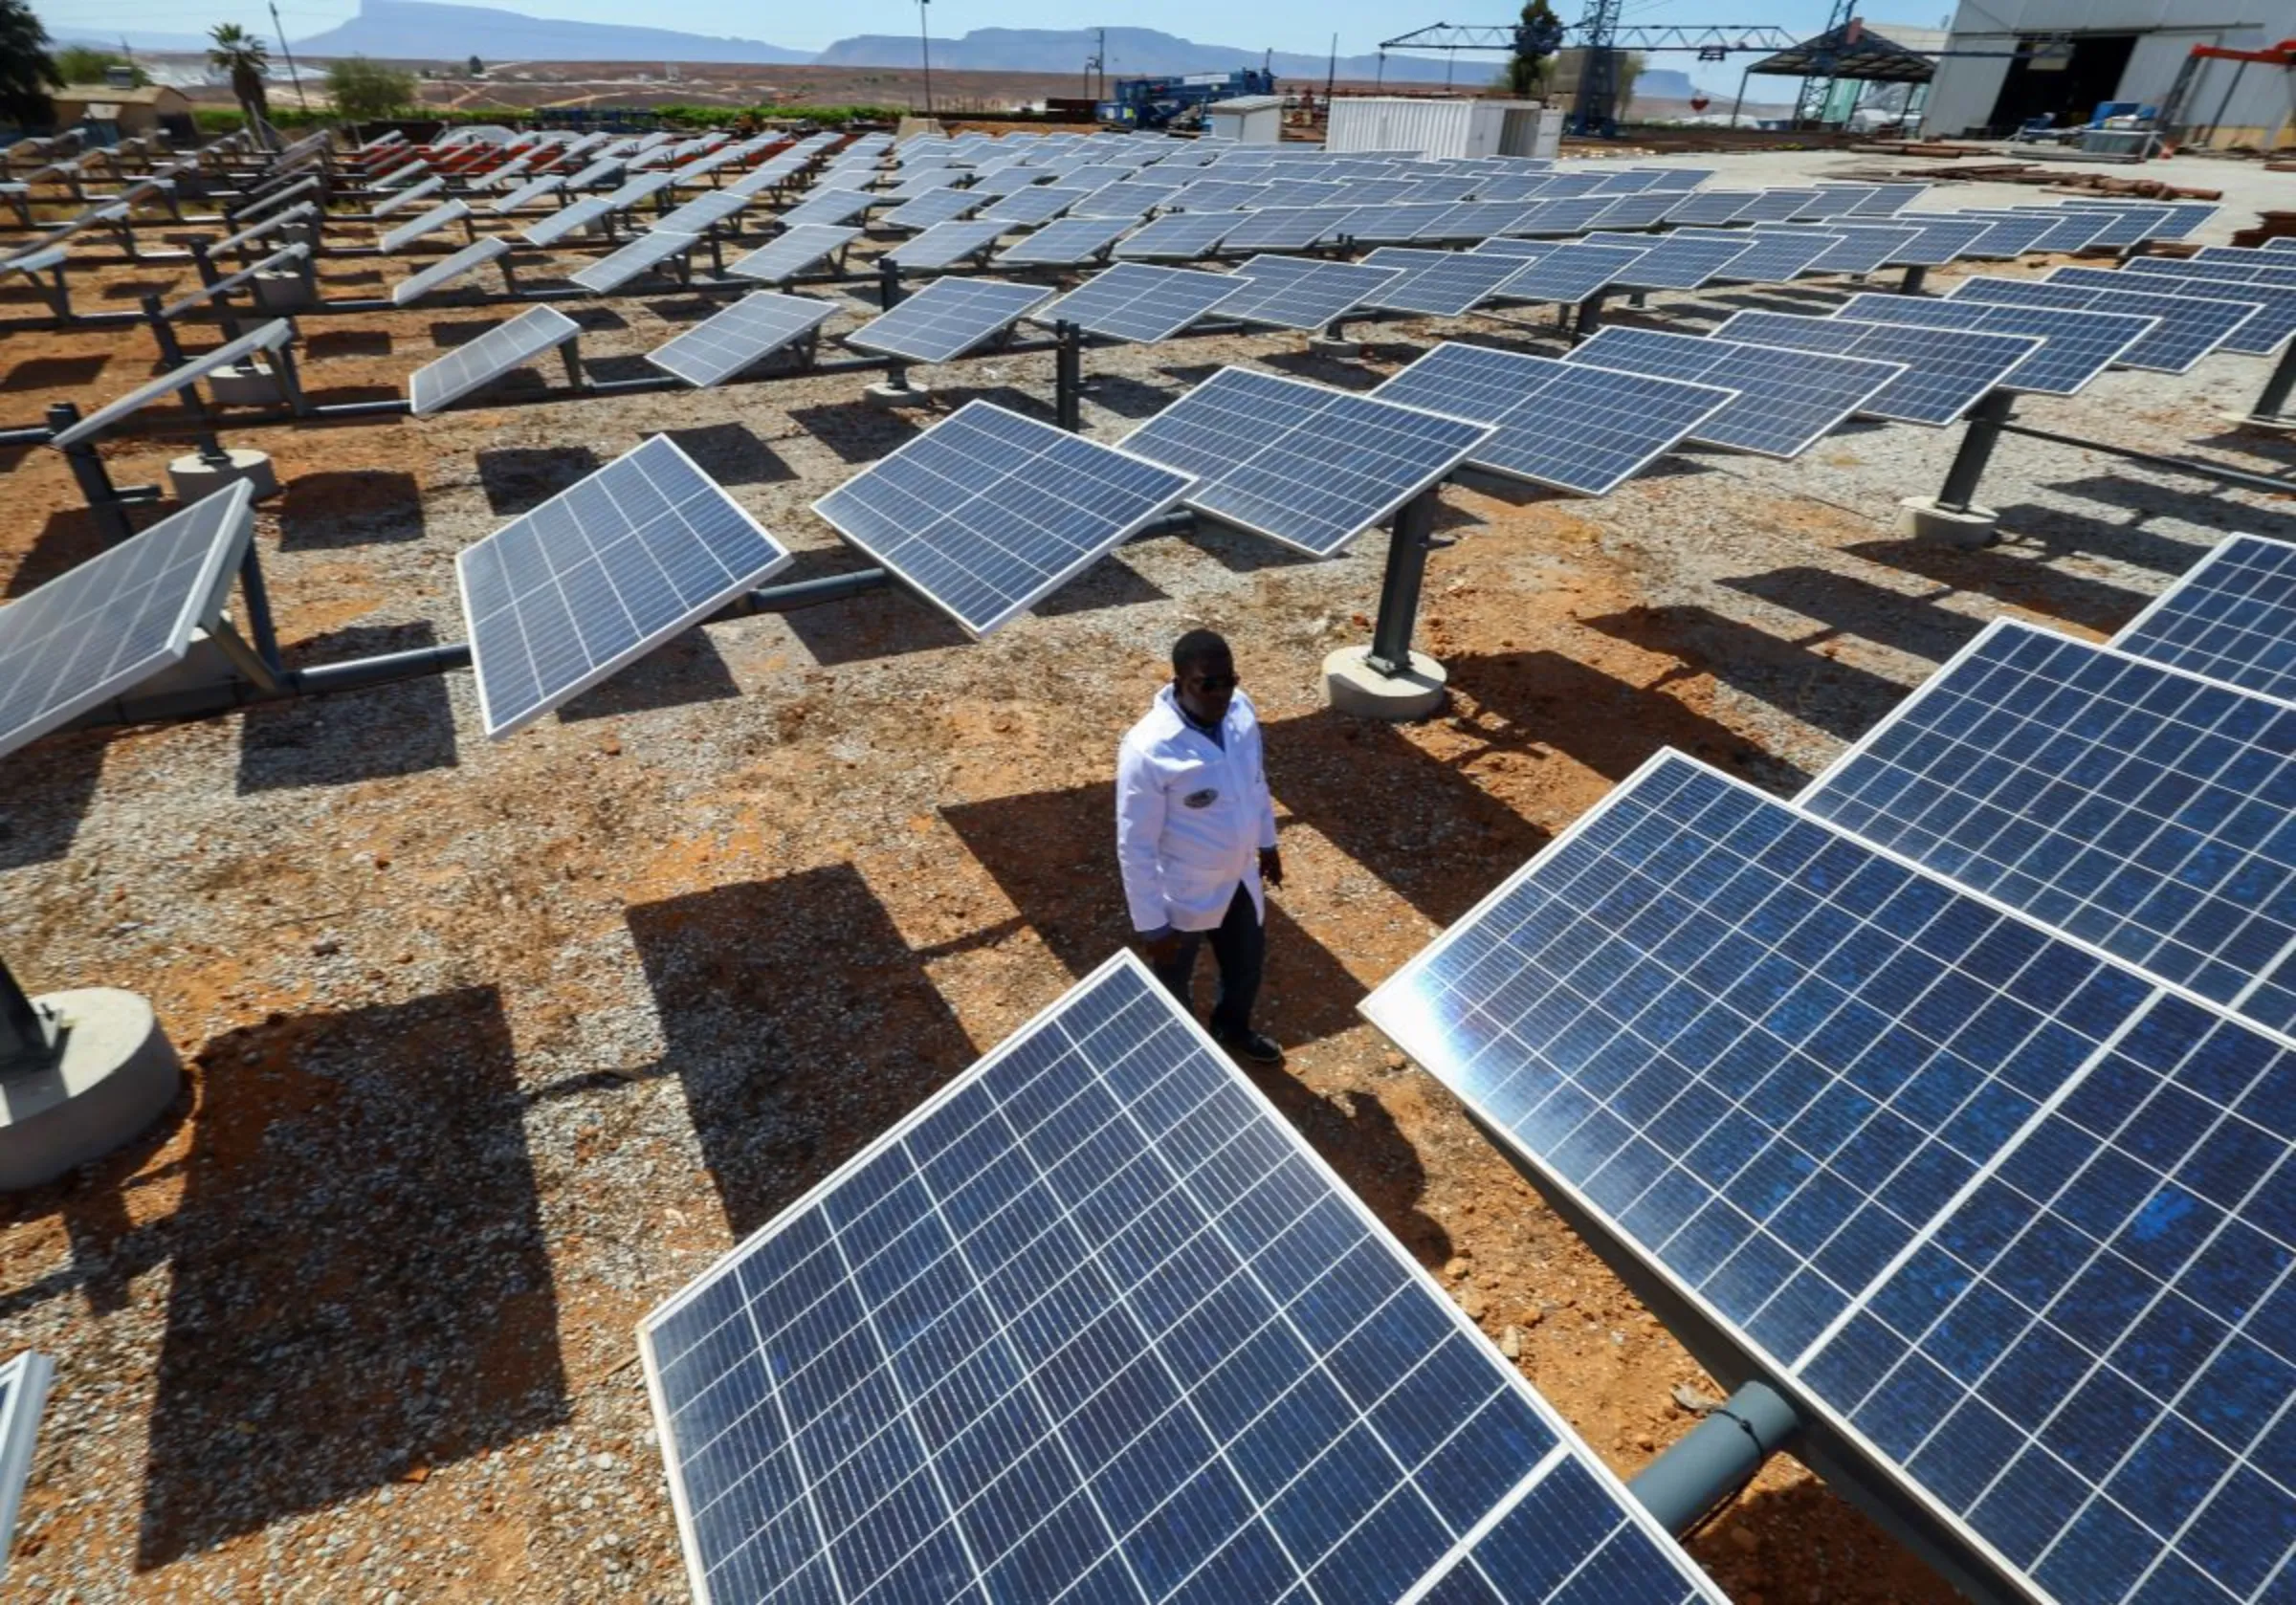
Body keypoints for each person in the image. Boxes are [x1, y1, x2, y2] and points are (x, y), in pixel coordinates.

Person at [1115, 629, 1284, 1063]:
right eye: (1206, 684)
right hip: (1183, 894)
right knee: (1174, 982)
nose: (1221, 694)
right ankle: (1185, 1057)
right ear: (1178, 684)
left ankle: (1232, 1027)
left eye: (1228, 680)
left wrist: (1267, 844)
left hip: (1240, 879)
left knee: (1246, 968)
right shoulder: (1149, 749)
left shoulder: (1241, 714)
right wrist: (1152, 923)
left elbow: (1255, 784)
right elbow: (1135, 845)